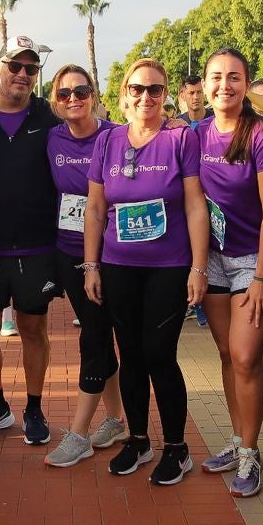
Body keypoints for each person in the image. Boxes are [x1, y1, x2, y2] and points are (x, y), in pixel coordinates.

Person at [83, 58, 209, 483]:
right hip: (119, 265)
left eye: (155, 89)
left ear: (165, 94)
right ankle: (138, 440)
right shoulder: (108, 141)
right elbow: (96, 207)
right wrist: (91, 265)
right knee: (130, 353)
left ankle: (177, 447)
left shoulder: (180, 139)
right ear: (124, 94)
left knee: (159, 353)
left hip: (168, 266)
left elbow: (195, 205)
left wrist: (198, 266)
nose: (145, 97)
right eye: (137, 89)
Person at [194, 48, 263, 496]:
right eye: (216, 77)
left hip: (252, 259)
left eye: (233, 77)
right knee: (228, 356)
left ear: (247, 83)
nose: (223, 86)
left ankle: (251, 452)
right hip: (210, 257)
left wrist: (262, 276)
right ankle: (236, 440)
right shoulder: (196, 133)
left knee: (248, 357)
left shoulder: (262, 135)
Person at [0, 36, 60, 446]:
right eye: (14, 66)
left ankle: (35, 408)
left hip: (37, 246)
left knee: (33, 329)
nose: (22, 75)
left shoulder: (48, 115)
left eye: (31, 69)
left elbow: (91, 133)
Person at [42, 64, 127, 466]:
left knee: (93, 336)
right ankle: (114, 417)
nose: (72, 99)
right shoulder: (52, 137)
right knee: (97, 330)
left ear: (94, 94)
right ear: (55, 101)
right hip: (67, 250)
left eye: (80, 91)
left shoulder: (114, 137)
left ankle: (78, 433)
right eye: (63, 94)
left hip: (108, 254)